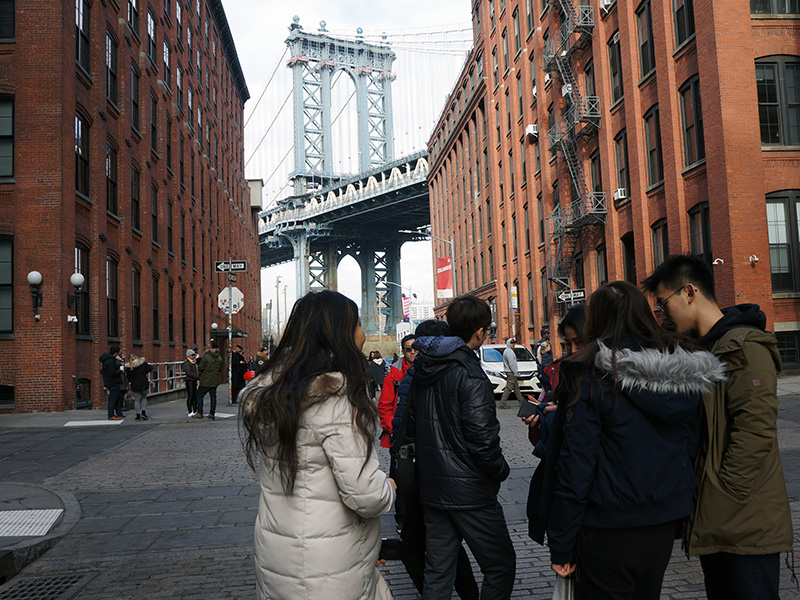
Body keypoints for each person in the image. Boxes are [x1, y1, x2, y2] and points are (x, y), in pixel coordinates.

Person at [545, 281, 726, 599]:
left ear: (598, 321)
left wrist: (561, 542)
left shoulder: (592, 380)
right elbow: (690, 447)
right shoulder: (680, 377)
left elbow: (576, 466)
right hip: (661, 524)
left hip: (608, 527)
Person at [643, 255, 793, 599]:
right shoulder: (699, 349)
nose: (663, 315)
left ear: (690, 291)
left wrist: (725, 493)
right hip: (714, 516)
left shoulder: (743, 347)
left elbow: (754, 431)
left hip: (744, 520)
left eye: (665, 304)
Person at [239, 290, 396, 600]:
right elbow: (366, 496)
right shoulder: (336, 402)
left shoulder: (273, 398)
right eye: (359, 324)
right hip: (329, 566)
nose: (364, 334)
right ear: (340, 335)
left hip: (278, 555)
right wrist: (389, 485)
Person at [411, 296, 515, 600]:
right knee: (499, 566)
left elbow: (416, 422)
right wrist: (501, 470)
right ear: (481, 332)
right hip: (470, 492)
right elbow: (483, 440)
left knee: (439, 570)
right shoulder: (470, 374)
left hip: (433, 487)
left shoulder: (424, 367)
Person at [391, 319, 479, 600]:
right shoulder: (460, 373)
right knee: (448, 544)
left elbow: (402, 426)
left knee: (416, 545)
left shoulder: (411, 377)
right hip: (450, 475)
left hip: (416, 475)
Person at [525, 303, 586, 544]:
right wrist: (541, 422)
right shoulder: (564, 374)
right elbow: (547, 441)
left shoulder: (609, 381)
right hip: (563, 485)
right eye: (568, 345)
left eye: (578, 343)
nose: (572, 351)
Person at [195, 342, 223, 420]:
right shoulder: (219, 358)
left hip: (206, 380)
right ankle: (212, 413)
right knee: (213, 397)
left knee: (199, 395)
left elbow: (201, 368)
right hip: (214, 380)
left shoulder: (206, 357)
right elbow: (221, 369)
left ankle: (199, 412)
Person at [99, 345, 125, 421]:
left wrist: (119, 365)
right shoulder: (110, 361)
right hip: (112, 382)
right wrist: (120, 371)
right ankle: (111, 415)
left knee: (117, 398)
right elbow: (112, 372)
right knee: (113, 399)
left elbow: (112, 368)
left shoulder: (109, 360)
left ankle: (119, 413)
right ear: (116, 353)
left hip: (112, 382)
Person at [125, 354, 153, 421]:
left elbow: (128, 377)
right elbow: (150, 368)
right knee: (144, 398)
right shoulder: (142, 363)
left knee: (136, 400)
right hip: (143, 383)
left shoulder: (129, 367)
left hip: (135, 385)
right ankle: (143, 413)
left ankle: (137, 415)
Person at [498, 337, 524, 409]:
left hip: (509, 371)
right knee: (509, 388)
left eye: (514, 343)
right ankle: (502, 403)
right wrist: (515, 372)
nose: (513, 344)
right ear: (508, 344)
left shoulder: (507, 351)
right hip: (511, 372)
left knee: (516, 388)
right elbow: (512, 364)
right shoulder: (509, 352)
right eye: (512, 343)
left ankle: (521, 401)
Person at [183, 349, 200, 417]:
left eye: (194, 355)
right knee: (190, 395)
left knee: (195, 396)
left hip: (194, 381)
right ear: (189, 356)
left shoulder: (194, 363)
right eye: (192, 355)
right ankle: (190, 410)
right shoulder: (186, 363)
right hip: (189, 381)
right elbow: (189, 373)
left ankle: (195, 409)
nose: (194, 356)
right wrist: (198, 377)